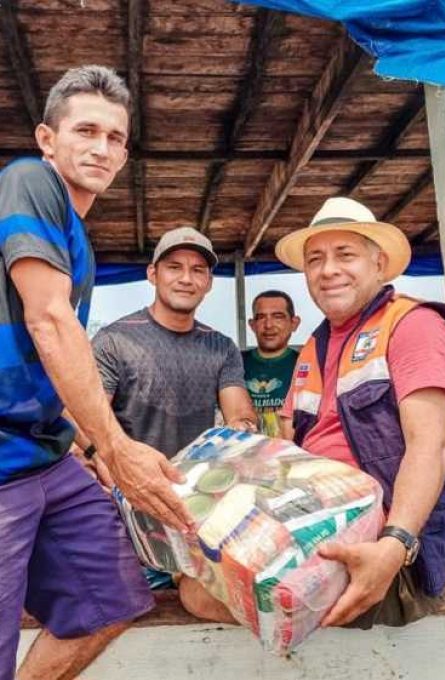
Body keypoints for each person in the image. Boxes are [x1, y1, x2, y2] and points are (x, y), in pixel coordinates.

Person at [0, 65, 192, 680]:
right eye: (86, 130)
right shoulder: (30, 181)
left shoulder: (74, 231)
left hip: (49, 455)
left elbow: (51, 360)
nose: (101, 148)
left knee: (111, 601)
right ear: (46, 138)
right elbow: (50, 324)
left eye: (115, 138)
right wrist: (115, 444)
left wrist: (90, 445)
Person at [275, 196, 445, 628]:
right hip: (318, 527)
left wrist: (394, 545)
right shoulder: (314, 346)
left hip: (396, 552)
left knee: (204, 592)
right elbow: (288, 444)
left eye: (344, 255)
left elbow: (433, 447)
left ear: (379, 264)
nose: (328, 270)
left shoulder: (415, 325)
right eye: (315, 259)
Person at [87, 226, 258, 621]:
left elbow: (239, 413)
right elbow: (90, 418)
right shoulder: (114, 340)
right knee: (121, 614)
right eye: (175, 267)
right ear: (152, 274)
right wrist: (107, 464)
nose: (186, 278)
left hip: (196, 503)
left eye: (198, 270)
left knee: (200, 598)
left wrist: (245, 432)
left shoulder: (221, 346)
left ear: (209, 282)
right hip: (128, 502)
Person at [243, 290, 301, 437]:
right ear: (252, 325)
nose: (268, 325)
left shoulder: (307, 364)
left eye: (278, 317)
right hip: (242, 454)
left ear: (294, 323)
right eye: (261, 317)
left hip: (292, 454)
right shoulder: (233, 363)